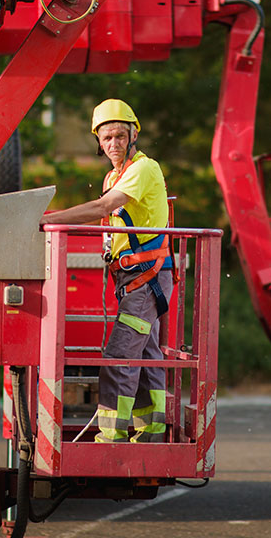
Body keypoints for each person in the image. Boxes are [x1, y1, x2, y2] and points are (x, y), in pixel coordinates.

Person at [39, 99, 172, 443]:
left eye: (119, 136)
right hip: (134, 277)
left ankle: (110, 437)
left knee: (120, 354)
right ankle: (151, 429)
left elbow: (104, 207)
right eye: (106, 137)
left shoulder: (144, 168)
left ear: (133, 135)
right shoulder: (114, 175)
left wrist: (44, 220)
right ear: (98, 142)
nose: (113, 144)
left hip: (146, 276)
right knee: (145, 353)